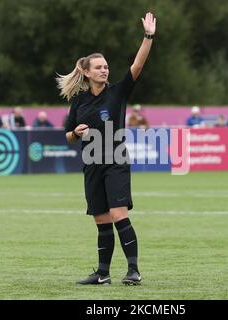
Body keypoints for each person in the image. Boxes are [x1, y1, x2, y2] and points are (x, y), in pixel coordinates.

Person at [58, 12, 156, 286]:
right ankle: (102, 274)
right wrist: (75, 133)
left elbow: (138, 64)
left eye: (106, 66)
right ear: (87, 72)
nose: (104, 70)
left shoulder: (118, 92)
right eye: (98, 67)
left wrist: (148, 36)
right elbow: (67, 136)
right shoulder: (78, 101)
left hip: (115, 159)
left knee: (117, 214)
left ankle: (134, 270)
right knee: (101, 220)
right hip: (91, 163)